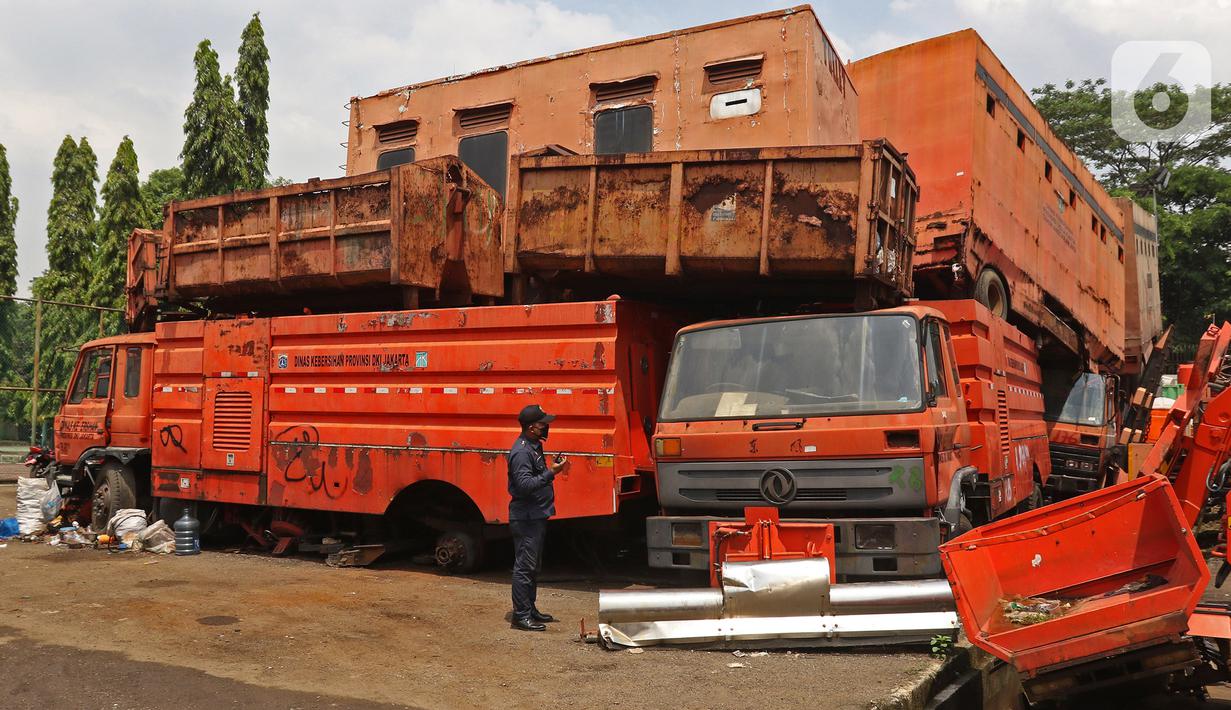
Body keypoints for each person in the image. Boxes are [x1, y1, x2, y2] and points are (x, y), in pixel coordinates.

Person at [507, 404, 568, 631]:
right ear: (532, 427)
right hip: (526, 519)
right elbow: (523, 486)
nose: (546, 427)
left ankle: (530, 608)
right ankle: (520, 615)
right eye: (543, 423)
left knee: (533, 566)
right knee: (524, 566)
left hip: (536, 516)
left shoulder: (534, 446)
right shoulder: (522, 452)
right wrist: (552, 472)